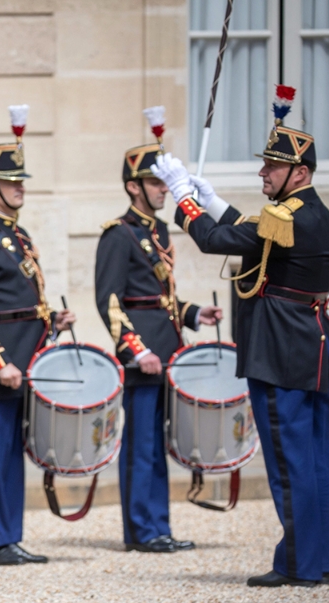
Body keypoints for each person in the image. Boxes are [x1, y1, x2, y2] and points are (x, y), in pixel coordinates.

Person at [159, 86, 329, 587]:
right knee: (313, 461)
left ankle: (299, 566)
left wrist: (184, 197)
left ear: (299, 174)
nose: (263, 172)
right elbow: (251, 230)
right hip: (313, 349)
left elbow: (219, 240)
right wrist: (214, 201)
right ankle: (312, 560)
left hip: (283, 352)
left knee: (288, 461)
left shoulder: (290, 217)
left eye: (272, 168)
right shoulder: (309, 213)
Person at [96, 110, 220, 554]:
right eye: (154, 183)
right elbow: (110, 301)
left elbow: (159, 295)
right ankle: (141, 530)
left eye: (164, 183)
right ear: (133, 186)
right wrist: (134, 350)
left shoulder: (159, 229)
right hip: (144, 354)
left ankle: (159, 526)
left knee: (161, 442)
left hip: (169, 347)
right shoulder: (119, 234)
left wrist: (192, 314)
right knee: (141, 445)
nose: (163, 190)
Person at [0, 118, 74, 566]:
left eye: (20, 180)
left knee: (13, 453)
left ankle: (10, 535)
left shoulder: (14, 235)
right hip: (3, 364)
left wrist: (54, 322)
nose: (19, 188)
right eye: (9, 181)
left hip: (28, 359)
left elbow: (20, 305)